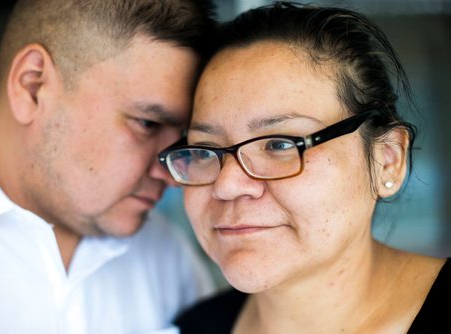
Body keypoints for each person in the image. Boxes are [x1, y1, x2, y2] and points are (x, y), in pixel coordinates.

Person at [158, 2, 450, 333]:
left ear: (388, 160)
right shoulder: (190, 327)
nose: (226, 186)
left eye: (279, 144)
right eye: (204, 151)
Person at [0, 0, 217, 333]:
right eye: (147, 124)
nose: (172, 176)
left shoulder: (169, 257)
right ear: (32, 86)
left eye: (180, 141)